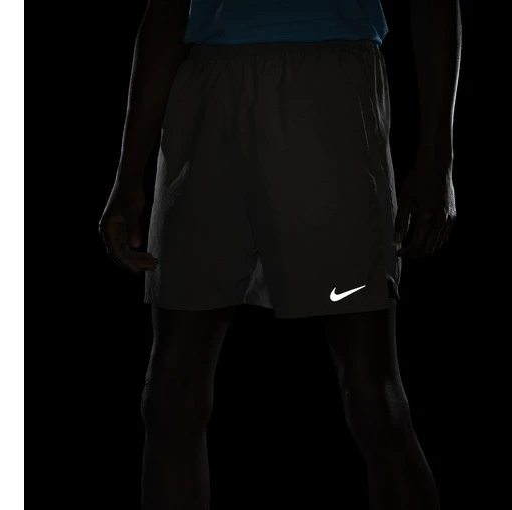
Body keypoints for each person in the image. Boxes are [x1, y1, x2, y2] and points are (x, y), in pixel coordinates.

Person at [99, 0, 461, 508]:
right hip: (206, 85)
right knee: (169, 398)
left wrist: (438, 159)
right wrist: (128, 175)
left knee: (374, 395)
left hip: (329, 87)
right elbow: (166, 10)